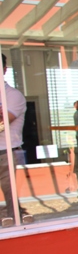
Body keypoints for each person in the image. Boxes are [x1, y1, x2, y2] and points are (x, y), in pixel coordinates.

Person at [0, 53, 32, 226]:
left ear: (4, 70)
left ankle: (17, 222)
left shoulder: (13, 96)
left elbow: (4, 121)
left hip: (7, 153)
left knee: (11, 195)